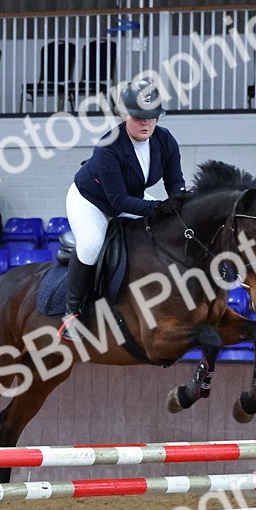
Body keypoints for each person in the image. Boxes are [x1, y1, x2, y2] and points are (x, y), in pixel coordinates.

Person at [62, 79, 188, 340]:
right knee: (91, 244)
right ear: (124, 115)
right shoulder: (108, 145)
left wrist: (178, 205)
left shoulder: (165, 140)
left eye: (152, 117)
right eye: (139, 117)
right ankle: (71, 314)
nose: (146, 123)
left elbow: (175, 182)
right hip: (91, 201)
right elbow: (118, 203)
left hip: (133, 196)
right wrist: (158, 208)